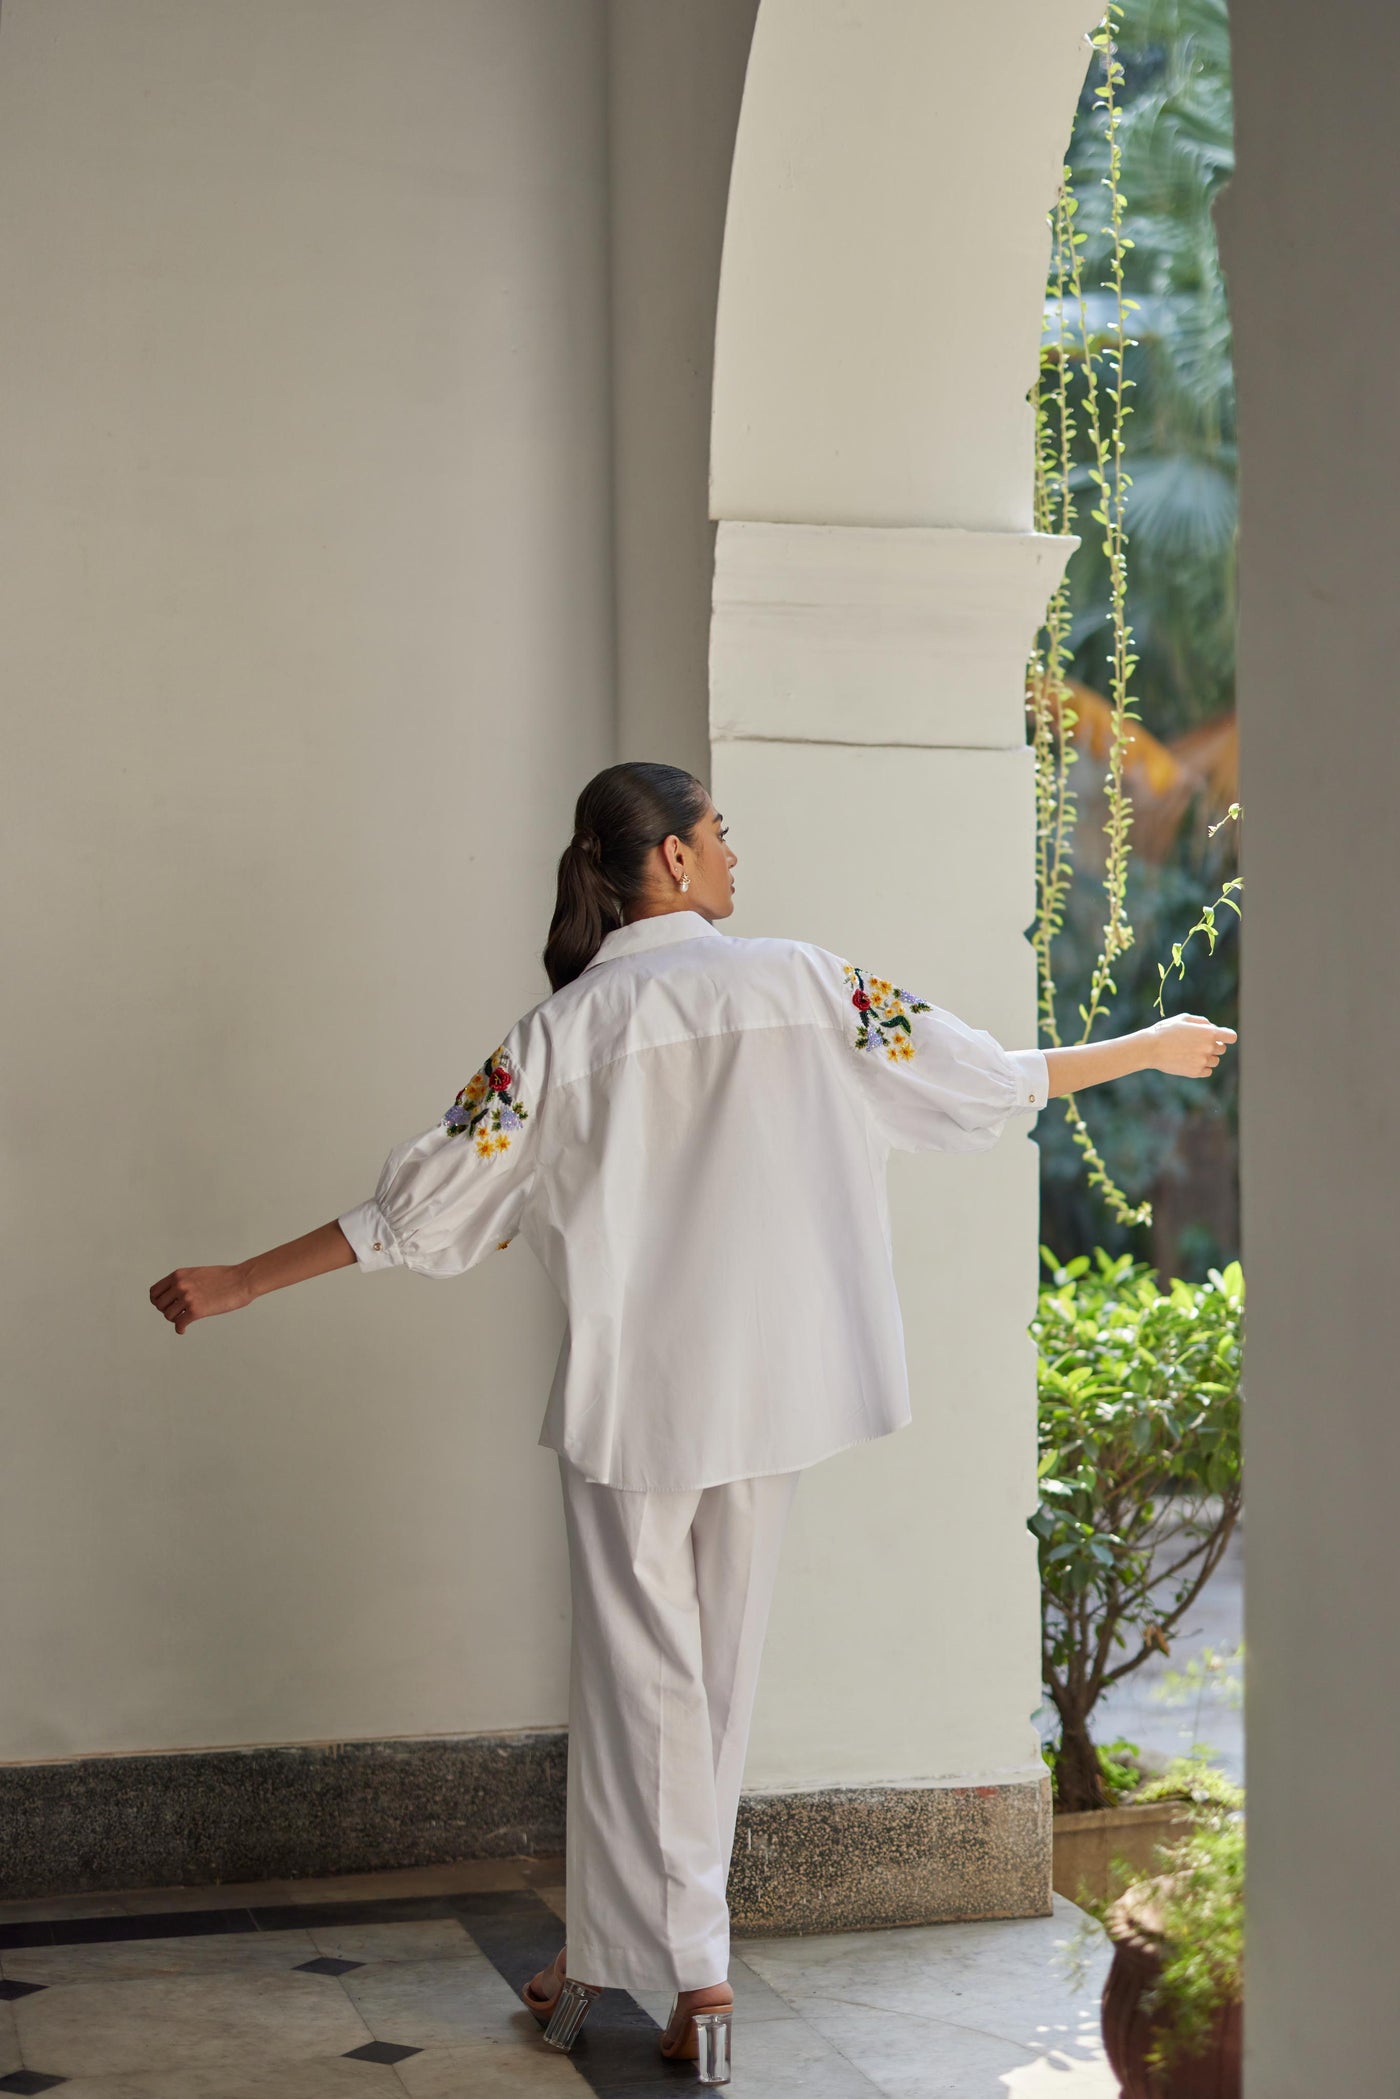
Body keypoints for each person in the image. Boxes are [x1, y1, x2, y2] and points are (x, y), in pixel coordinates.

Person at [148, 759, 1236, 2086]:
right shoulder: (807, 981)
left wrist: (246, 1279)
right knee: (698, 1693)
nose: (734, 856)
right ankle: (598, 1965)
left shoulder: (562, 1036)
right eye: (721, 835)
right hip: (775, 1390)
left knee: (645, 1690)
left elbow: (422, 1210)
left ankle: (697, 1975)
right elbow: (979, 1082)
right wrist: (1138, 1051)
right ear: (669, 859)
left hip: (637, 1406)